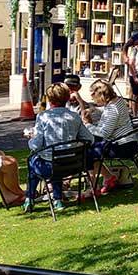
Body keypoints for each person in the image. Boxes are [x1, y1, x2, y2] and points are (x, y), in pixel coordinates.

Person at [24, 83, 93, 213]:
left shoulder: (43, 117)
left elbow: (36, 145)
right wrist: (75, 144)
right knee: (53, 160)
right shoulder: (74, 116)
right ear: (67, 98)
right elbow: (89, 139)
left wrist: (31, 138)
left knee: (33, 162)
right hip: (73, 165)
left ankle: (29, 198)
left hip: (50, 167)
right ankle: (57, 199)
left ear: (49, 100)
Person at [82, 80, 131, 194]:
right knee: (91, 148)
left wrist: (87, 125)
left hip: (122, 145)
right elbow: (107, 114)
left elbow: (104, 133)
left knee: (88, 152)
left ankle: (94, 187)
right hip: (125, 142)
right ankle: (108, 177)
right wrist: (94, 109)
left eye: (93, 95)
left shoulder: (112, 109)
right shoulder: (117, 102)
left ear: (101, 95)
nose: (92, 98)